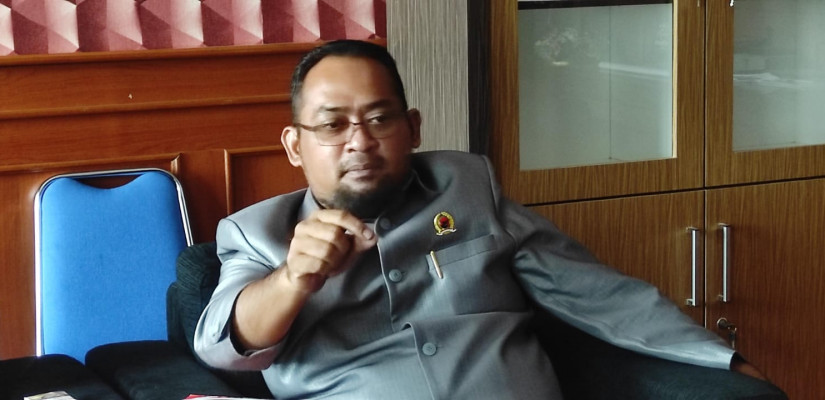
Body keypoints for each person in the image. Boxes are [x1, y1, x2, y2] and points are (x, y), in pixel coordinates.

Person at [194, 39, 763, 399]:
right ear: (295, 146)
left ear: (413, 129)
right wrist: (293, 280)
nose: (359, 142)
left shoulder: (467, 192)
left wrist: (722, 358)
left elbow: (598, 293)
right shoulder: (257, 233)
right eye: (332, 125)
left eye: (379, 119)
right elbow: (220, 346)